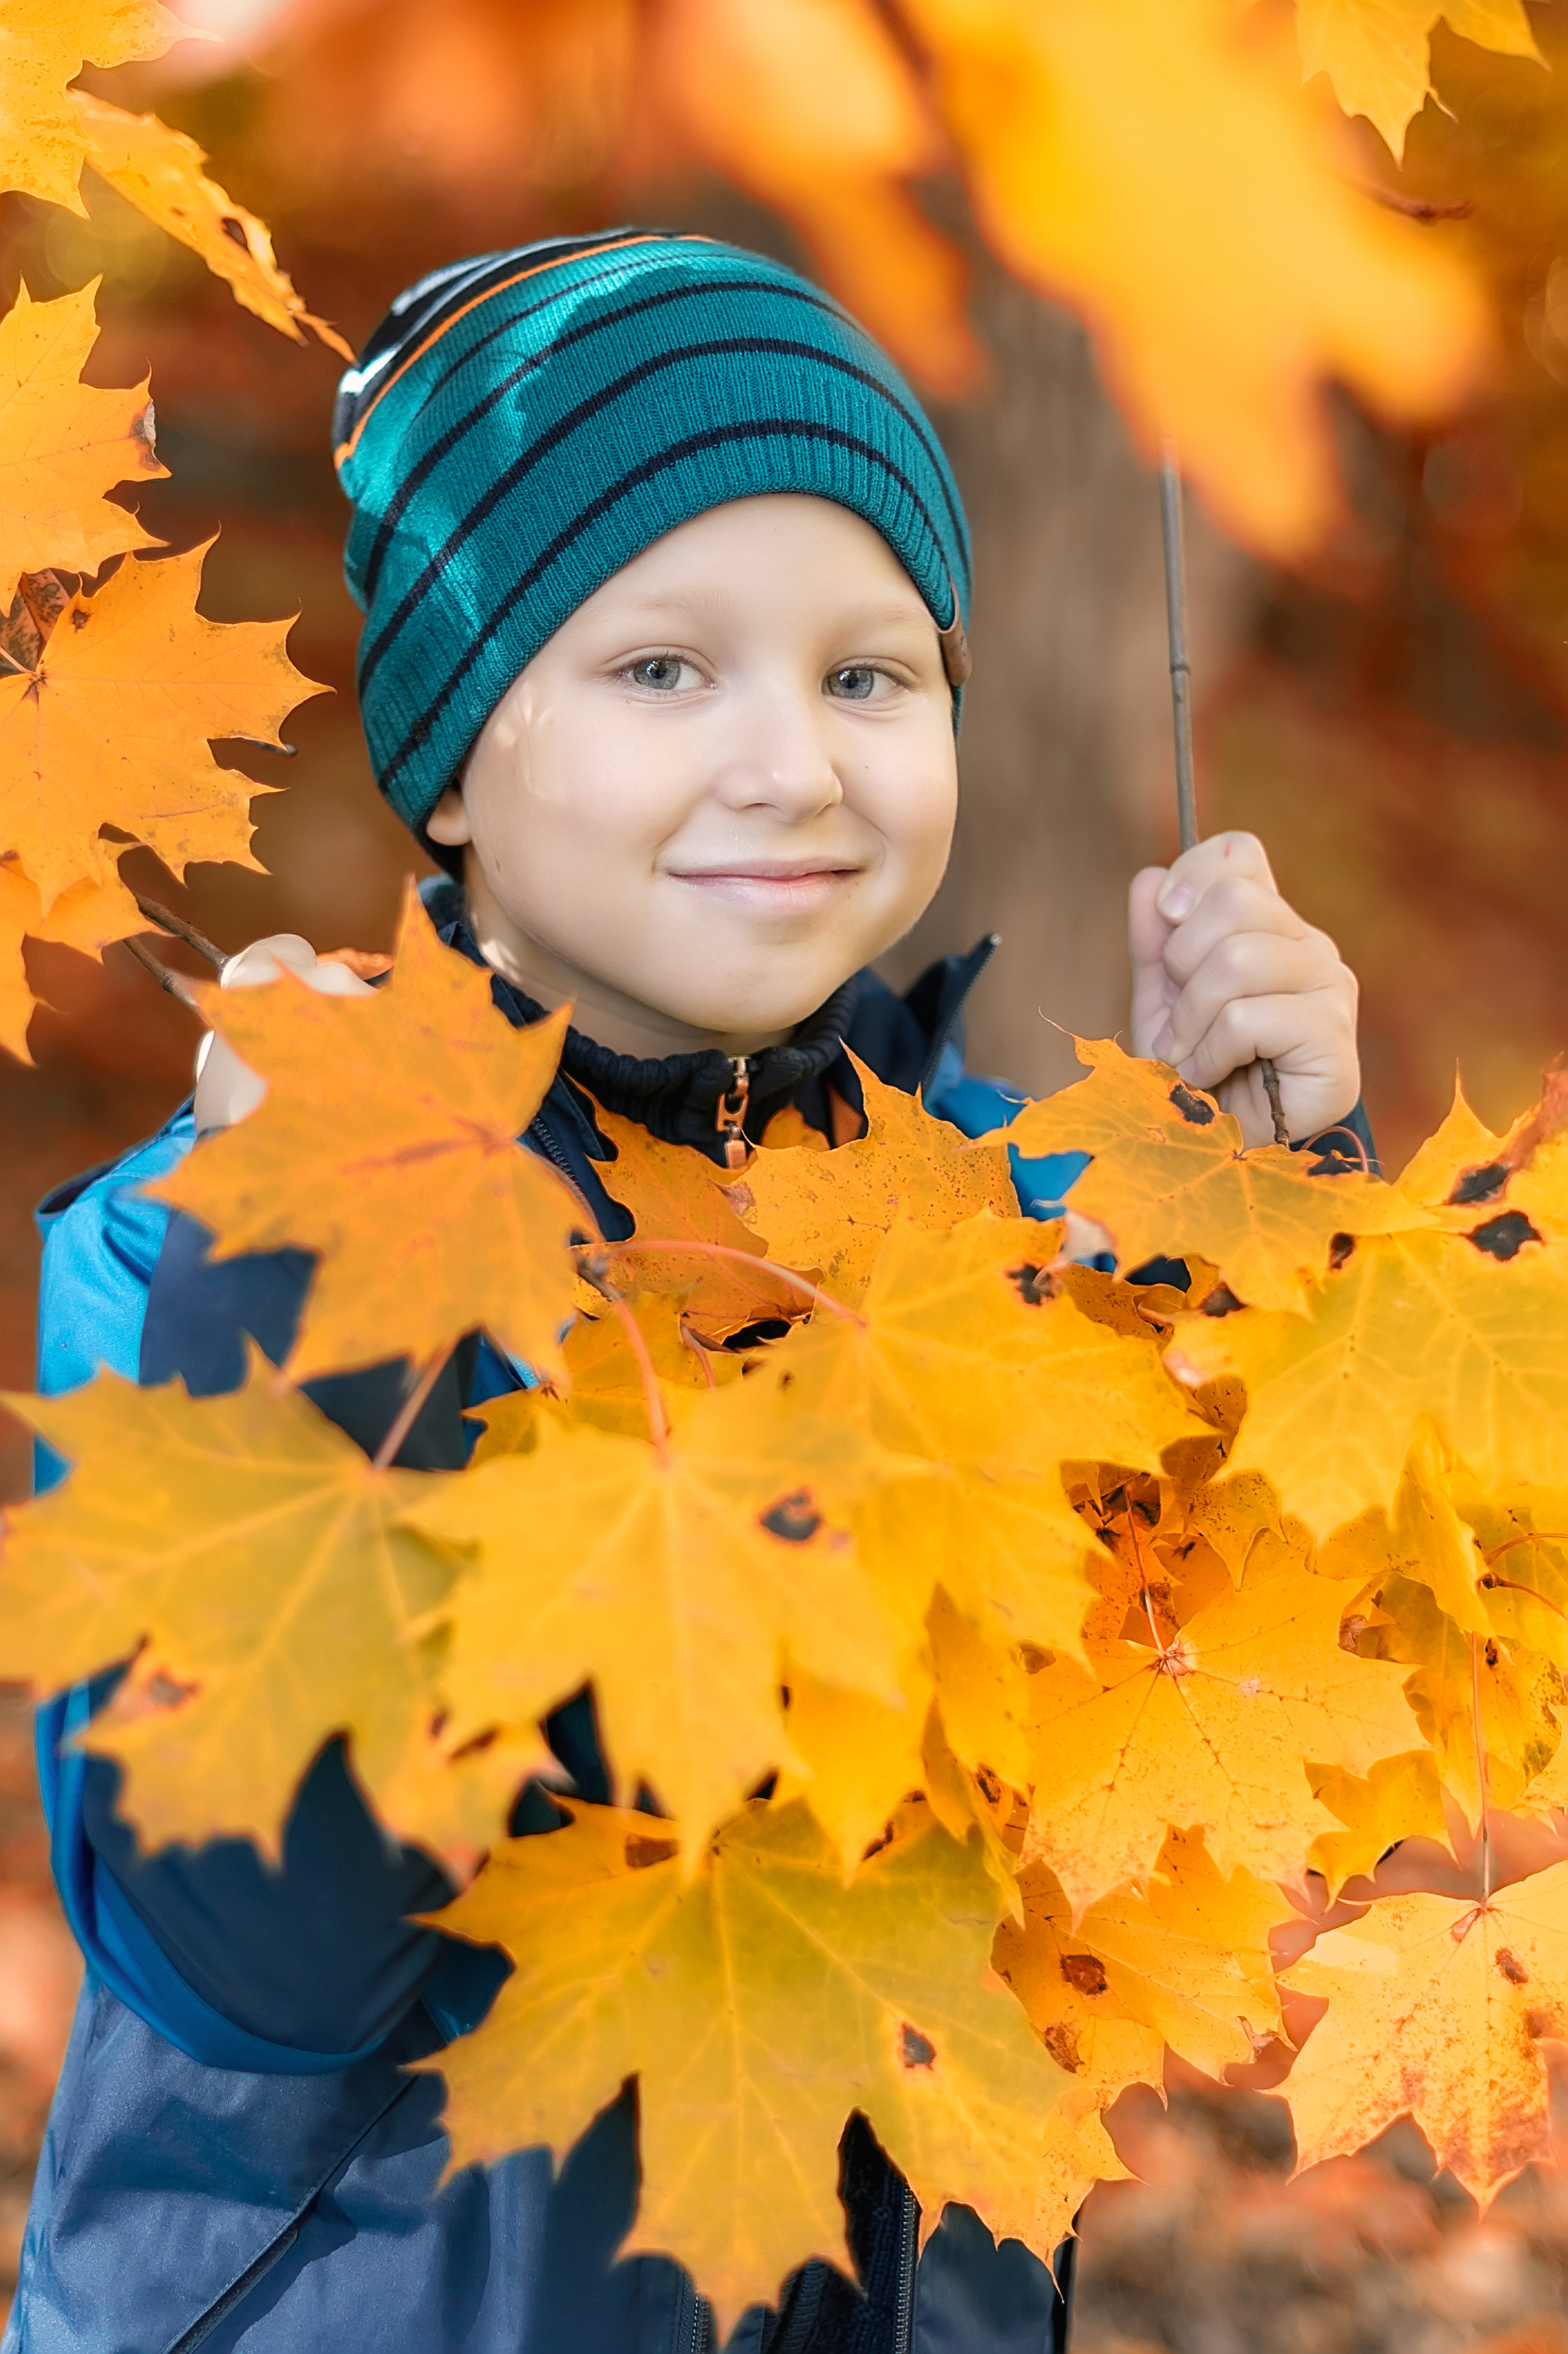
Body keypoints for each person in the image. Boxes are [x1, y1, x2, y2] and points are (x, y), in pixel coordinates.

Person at [7, 230, 1366, 2354]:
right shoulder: (202, 1234)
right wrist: (305, 1281)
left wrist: (1284, 1211)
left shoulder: (1017, 1229)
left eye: (868, 673)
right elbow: (261, 1966)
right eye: (663, 668)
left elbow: (1267, 1727)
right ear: (453, 762)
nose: (797, 765)